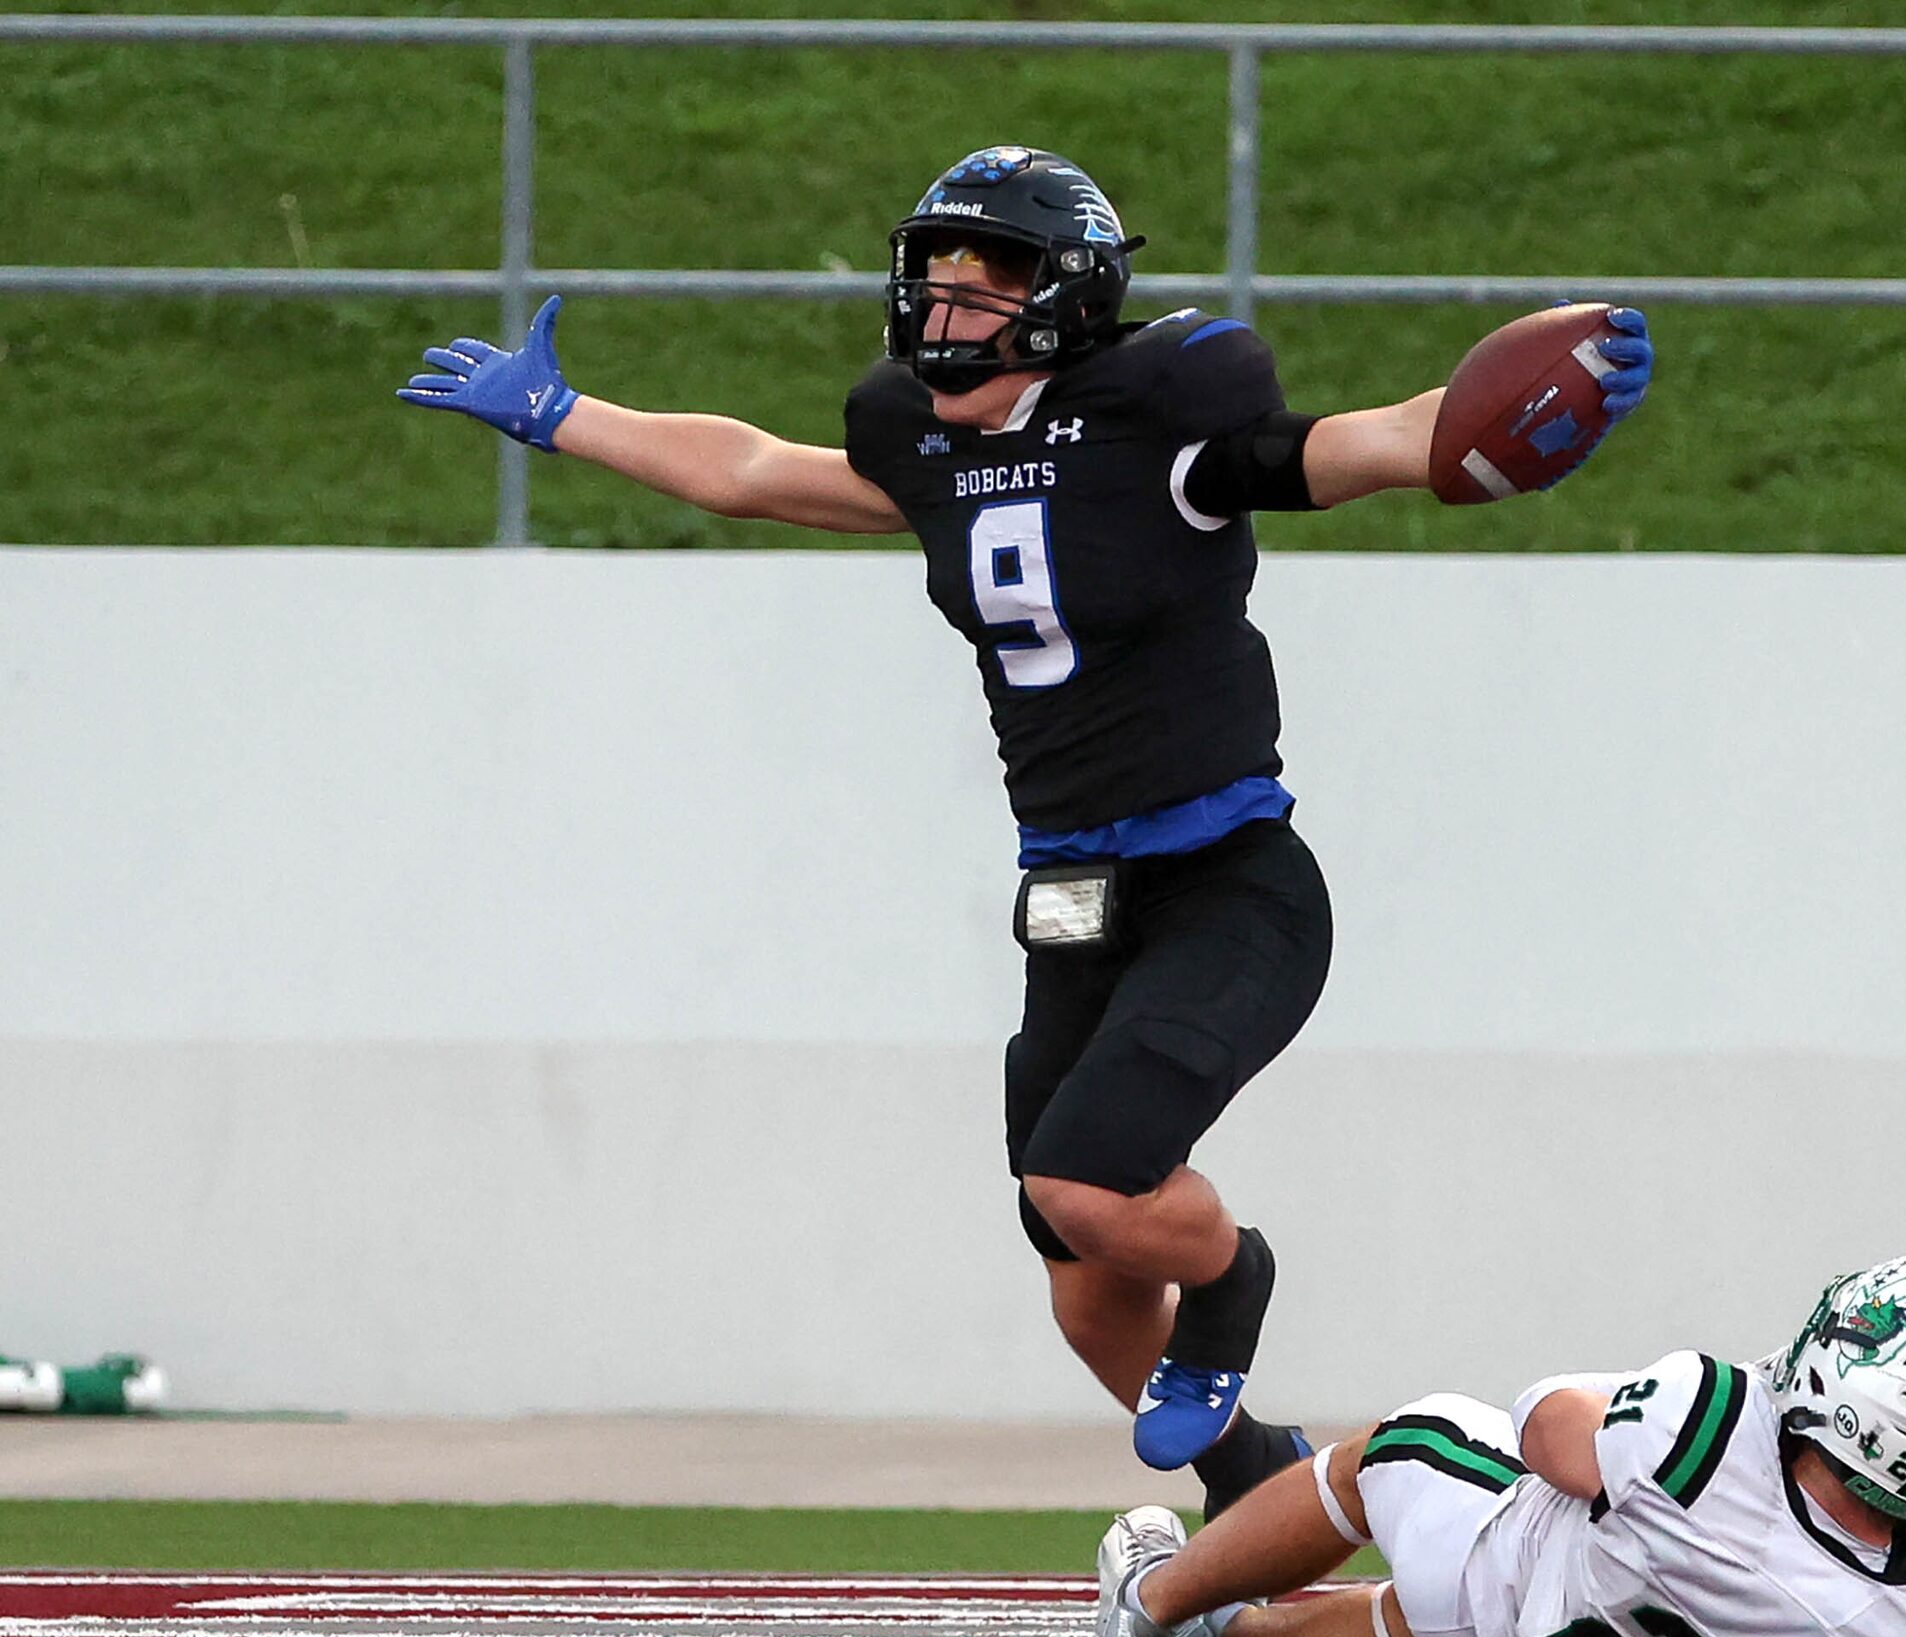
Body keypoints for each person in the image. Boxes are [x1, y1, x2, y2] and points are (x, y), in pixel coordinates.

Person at [396, 146, 1655, 1518]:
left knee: (1088, 1176)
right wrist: (565, 413)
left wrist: (1513, 412)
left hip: (1223, 880)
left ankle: (1233, 1279)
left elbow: (1370, 442)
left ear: (1064, 294)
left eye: (979, 279)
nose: (940, 307)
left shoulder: (1164, 415)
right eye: (930, 277)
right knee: (1076, 1262)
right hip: (1065, 896)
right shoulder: (923, 445)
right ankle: (1258, 1479)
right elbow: (753, 470)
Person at [1089, 1253, 1906, 1637]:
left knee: (1395, 1449)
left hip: (1507, 1576)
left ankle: (1151, 1604)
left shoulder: (1704, 1424)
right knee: (1415, 1618)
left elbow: (1544, 1429)